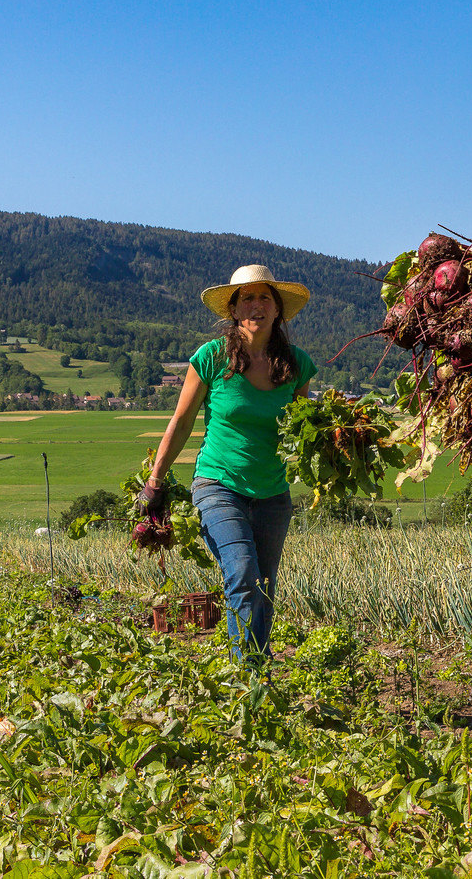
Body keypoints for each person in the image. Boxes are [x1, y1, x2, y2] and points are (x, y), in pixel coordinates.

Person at [137, 264, 316, 663]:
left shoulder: (297, 365)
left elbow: (302, 430)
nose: (256, 305)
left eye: (264, 297)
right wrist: (155, 482)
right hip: (218, 484)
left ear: (277, 309)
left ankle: (256, 668)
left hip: (273, 493)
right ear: (233, 310)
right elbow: (181, 422)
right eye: (246, 298)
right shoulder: (212, 358)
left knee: (263, 585)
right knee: (244, 575)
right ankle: (247, 677)